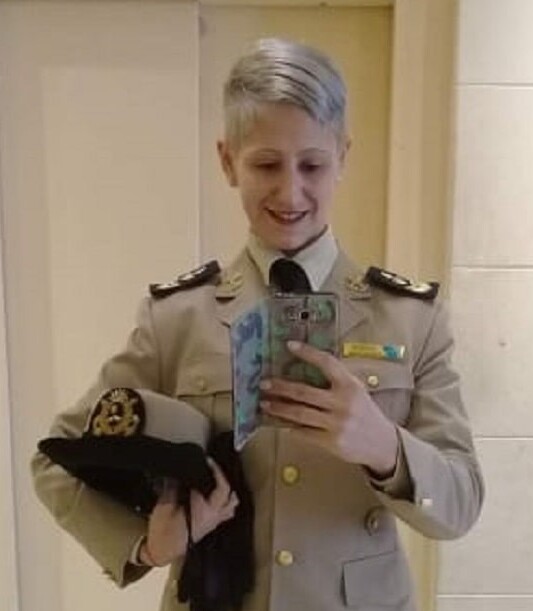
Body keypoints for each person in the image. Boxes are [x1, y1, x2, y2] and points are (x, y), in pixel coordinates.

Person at [32, 37, 484, 611]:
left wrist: (385, 448)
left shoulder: (410, 319)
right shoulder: (177, 318)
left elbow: (461, 502)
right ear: (228, 162)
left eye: (313, 164)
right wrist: (144, 545)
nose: (290, 191)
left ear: (343, 157)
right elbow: (56, 458)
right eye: (266, 164)